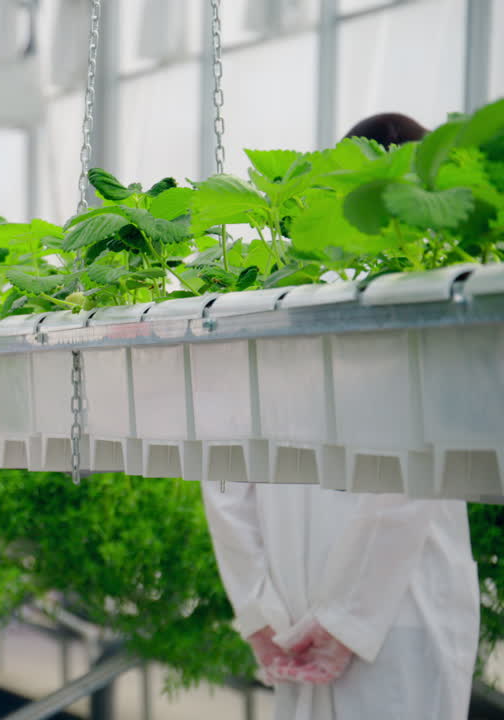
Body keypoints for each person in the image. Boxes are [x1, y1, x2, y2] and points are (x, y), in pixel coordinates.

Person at [202, 116, 480, 720]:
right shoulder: (433, 298)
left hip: (299, 610)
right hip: (396, 613)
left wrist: (257, 610)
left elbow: (221, 464)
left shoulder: (284, 298)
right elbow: (413, 478)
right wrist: (342, 621)